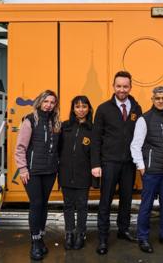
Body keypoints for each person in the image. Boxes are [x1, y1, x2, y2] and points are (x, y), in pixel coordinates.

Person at [91, 71, 143, 255]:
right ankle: (103, 238)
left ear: (130, 87)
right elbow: (96, 138)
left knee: (127, 200)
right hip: (109, 162)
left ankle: (123, 230)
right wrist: (95, 164)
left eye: (125, 86)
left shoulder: (137, 108)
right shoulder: (103, 108)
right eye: (119, 86)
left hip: (129, 163)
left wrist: (140, 162)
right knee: (105, 201)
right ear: (113, 86)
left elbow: (140, 137)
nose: (122, 89)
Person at [131, 86, 163, 253]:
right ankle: (143, 238)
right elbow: (135, 146)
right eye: (157, 98)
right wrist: (142, 167)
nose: (160, 101)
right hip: (151, 171)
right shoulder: (144, 119)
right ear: (152, 100)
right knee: (147, 206)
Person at [15, 90, 61, 260]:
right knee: (36, 203)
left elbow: (57, 147)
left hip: (49, 171)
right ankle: (35, 242)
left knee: (44, 204)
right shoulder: (30, 120)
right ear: (40, 102)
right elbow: (20, 147)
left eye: (52, 102)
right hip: (32, 172)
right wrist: (22, 169)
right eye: (46, 101)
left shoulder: (55, 122)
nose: (49, 105)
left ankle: (41, 238)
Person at [58, 96, 98, 250]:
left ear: (89, 109)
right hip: (66, 172)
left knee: (82, 205)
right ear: (73, 109)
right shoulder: (65, 126)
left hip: (83, 174)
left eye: (84, 106)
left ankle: (81, 234)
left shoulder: (93, 129)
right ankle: (69, 233)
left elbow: (95, 153)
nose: (81, 109)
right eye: (77, 106)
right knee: (68, 205)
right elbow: (58, 149)